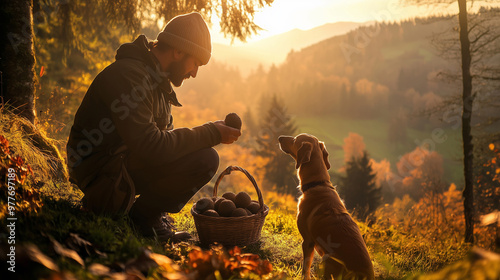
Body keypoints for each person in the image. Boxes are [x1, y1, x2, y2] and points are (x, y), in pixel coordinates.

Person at [66, 12, 241, 242]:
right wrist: (211, 132)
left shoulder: (156, 82)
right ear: (178, 51)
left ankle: (143, 216)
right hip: (100, 172)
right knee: (206, 159)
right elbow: (152, 146)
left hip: (121, 160)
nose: (194, 73)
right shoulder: (130, 76)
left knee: (200, 155)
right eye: (195, 63)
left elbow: (163, 144)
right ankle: (141, 220)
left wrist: (210, 133)